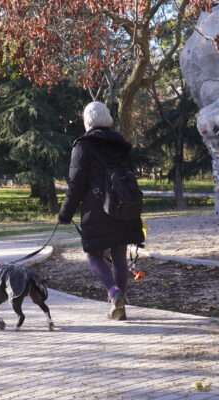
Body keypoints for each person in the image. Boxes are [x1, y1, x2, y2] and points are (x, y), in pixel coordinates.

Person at [58, 101, 145, 320]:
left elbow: (76, 185)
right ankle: (120, 304)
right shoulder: (121, 144)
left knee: (93, 254)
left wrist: (65, 214)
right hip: (124, 207)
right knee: (119, 256)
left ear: (87, 121)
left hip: (96, 209)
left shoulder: (83, 146)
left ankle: (114, 293)